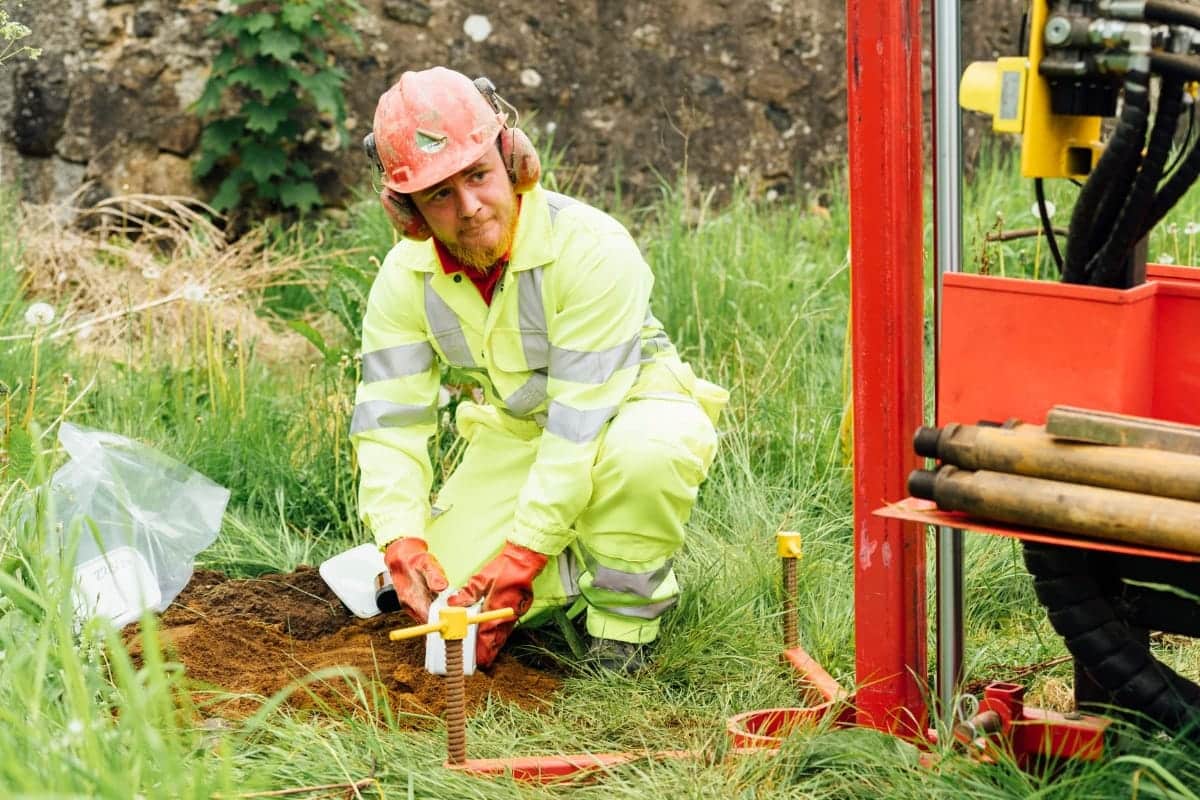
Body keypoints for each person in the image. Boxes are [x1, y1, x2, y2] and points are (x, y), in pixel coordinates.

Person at [351, 66, 727, 673]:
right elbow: (389, 421)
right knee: (449, 588)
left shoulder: (593, 248)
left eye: (478, 175)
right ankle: (575, 566)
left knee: (643, 459)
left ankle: (621, 630)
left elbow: (579, 430)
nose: (469, 208)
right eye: (440, 194)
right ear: (408, 211)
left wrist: (523, 558)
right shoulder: (404, 280)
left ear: (513, 160)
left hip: (633, 407)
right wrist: (401, 539)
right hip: (524, 432)